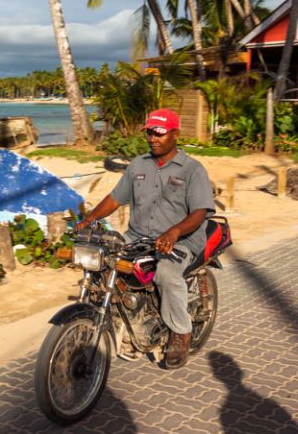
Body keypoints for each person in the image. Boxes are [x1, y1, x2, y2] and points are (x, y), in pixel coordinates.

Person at [75, 108, 215, 369]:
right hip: (137, 235)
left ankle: (181, 333)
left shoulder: (192, 169)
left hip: (182, 239)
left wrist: (174, 232)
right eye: (150, 132)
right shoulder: (138, 165)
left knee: (165, 273)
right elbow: (115, 199)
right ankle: (122, 311)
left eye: (159, 133)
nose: (153, 138)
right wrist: (89, 219)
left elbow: (200, 213)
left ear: (175, 134)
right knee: (104, 260)